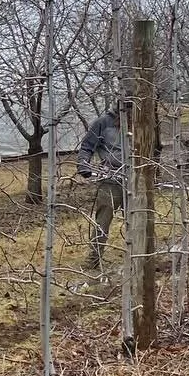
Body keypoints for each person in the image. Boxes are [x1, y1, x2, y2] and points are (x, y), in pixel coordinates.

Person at [76, 100, 127, 269]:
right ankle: (93, 259)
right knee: (103, 221)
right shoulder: (103, 122)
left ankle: (142, 255)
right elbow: (87, 146)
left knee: (140, 218)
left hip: (135, 180)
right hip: (111, 179)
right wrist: (83, 164)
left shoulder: (140, 121)